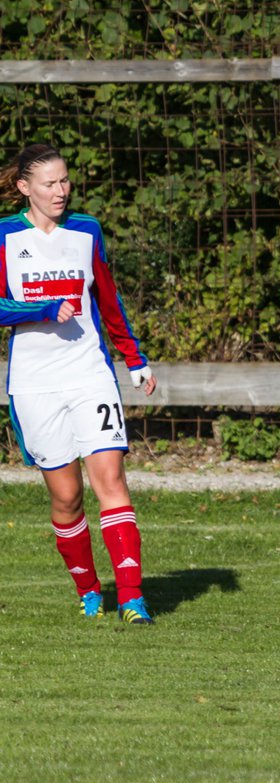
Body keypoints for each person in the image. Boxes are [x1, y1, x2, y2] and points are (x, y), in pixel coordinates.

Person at [0, 143, 158, 625]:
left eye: (65, 180)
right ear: (25, 188)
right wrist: (43, 310)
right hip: (34, 384)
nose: (61, 191)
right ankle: (89, 588)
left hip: (90, 373)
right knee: (66, 498)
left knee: (110, 480)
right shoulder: (5, 235)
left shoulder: (87, 231)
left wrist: (135, 358)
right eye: (49, 183)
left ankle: (132, 599)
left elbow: (109, 301)